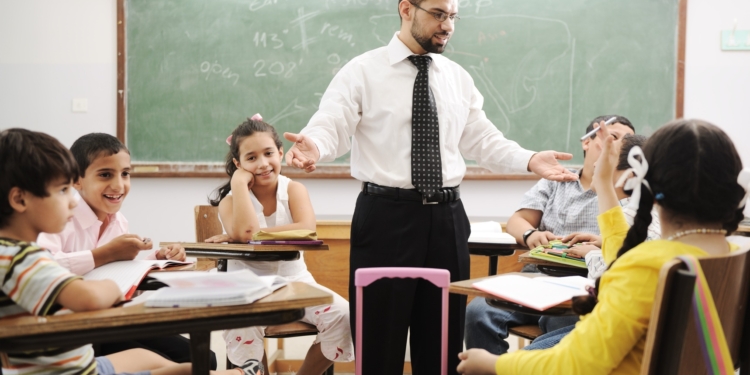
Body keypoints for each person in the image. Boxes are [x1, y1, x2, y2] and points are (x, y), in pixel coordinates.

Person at [282, 1, 578, 373]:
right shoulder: (362, 71)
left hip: (447, 219)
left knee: (441, 340)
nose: (448, 25)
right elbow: (332, 123)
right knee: (378, 337)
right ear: (406, 9)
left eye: (453, 16)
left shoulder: (457, 77)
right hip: (385, 217)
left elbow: (483, 140)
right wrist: (315, 144)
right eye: (438, 14)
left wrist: (529, 159)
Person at [457, 118, 748, 374]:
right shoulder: (733, 255)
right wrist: (606, 186)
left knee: (532, 354)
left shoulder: (647, 264)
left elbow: (574, 365)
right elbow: (625, 253)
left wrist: (493, 365)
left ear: (645, 183)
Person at [0, 128, 263, 375]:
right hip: (71, 365)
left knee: (167, 361)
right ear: (20, 199)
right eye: (62, 190)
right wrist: (110, 283)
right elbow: (88, 296)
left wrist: (154, 260)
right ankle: (242, 372)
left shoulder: (14, 253)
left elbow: (117, 273)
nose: (71, 200)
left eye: (125, 174)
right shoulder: (23, 258)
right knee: (185, 366)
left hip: (74, 353)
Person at [464, 116, 635, 355]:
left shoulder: (625, 192)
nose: (613, 145)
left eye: (624, 142)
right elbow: (517, 220)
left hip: (585, 281)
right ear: (586, 142)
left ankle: (528, 362)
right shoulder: (556, 180)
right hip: (537, 276)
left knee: (558, 326)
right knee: (478, 312)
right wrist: (531, 234)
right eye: (611, 136)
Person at [35, 133, 199, 367]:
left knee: (201, 356)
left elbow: (121, 283)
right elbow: (42, 268)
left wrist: (156, 260)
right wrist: (104, 254)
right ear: (76, 180)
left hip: (110, 319)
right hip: (75, 329)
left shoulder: (118, 221)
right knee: (169, 364)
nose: (118, 185)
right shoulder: (59, 218)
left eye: (125, 174)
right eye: (105, 175)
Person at [206, 115, 353, 374]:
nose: (263, 164)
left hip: (296, 284)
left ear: (281, 152)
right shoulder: (231, 200)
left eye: (268, 153)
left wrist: (254, 234)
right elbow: (245, 232)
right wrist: (238, 183)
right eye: (251, 158)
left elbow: (306, 228)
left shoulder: (294, 189)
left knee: (346, 316)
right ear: (238, 164)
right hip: (247, 287)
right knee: (242, 325)